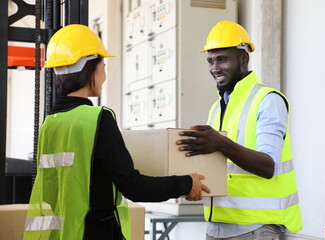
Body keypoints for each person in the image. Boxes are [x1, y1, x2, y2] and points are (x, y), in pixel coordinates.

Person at [23, 24, 210, 240]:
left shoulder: (50, 123)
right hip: (95, 233)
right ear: (88, 68)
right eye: (102, 65)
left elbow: (53, 188)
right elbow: (133, 187)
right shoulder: (97, 119)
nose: (104, 74)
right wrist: (186, 183)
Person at [176, 20, 302, 240]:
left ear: (244, 59)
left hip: (255, 228)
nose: (214, 68)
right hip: (217, 226)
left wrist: (221, 143)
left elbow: (268, 165)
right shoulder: (217, 108)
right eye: (211, 61)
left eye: (222, 60)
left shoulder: (268, 100)